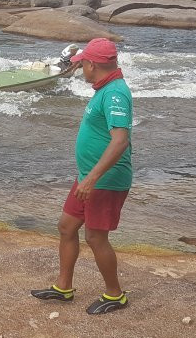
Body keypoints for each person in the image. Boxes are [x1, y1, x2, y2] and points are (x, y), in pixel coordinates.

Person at [31, 38, 133, 315]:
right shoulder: (105, 89)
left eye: (82, 64)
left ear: (92, 64)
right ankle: (63, 287)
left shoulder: (115, 94)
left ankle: (115, 295)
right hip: (89, 177)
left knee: (96, 237)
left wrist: (92, 179)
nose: (80, 69)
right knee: (66, 226)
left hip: (104, 180)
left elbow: (120, 141)